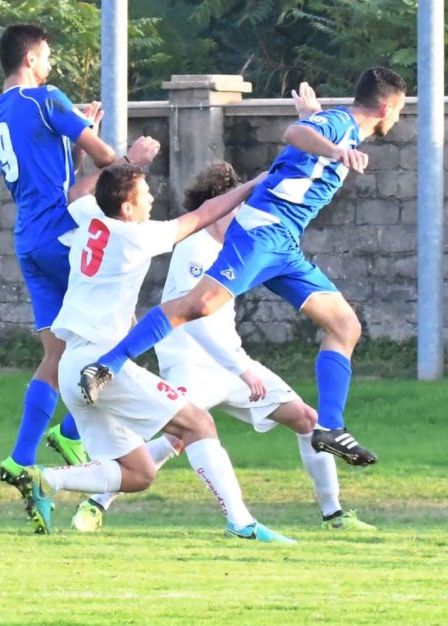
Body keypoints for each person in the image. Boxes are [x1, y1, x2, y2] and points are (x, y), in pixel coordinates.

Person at [77, 67, 408, 468]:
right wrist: (327, 141)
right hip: (262, 231)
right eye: (400, 110)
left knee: (345, 326)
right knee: (197, 306)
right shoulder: (339, 124)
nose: (398, 118)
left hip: (285, 244)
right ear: (388, 105)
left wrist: (310, 119)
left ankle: (330, 428)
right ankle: (106, 365)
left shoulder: (333, 125)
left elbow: (304, 141)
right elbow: (293, 136)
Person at [70, 161, 376, 533]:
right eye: (240, 208)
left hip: (232, 364)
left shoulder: (242, 245)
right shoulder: (195, 247)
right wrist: (240, 369)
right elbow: (191, 317)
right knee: (178, 437)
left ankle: (334, 514)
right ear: (223, 206)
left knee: (307, 419)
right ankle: (96, 500)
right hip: (191, 363)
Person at [8, 162, 295, 544]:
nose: (153, 199)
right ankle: (241, 522)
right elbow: (203, 214)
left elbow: (79, 195)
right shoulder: (135, 237)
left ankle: (46, 480)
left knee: (139, 472)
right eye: (145, 194)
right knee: (198, 424)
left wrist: (117, 161)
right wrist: (253, 185)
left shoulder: (92, 217)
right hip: (102, 364)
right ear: (126, 208)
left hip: (71, 364)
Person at [0, 24, 157, 530]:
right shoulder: (46, 98)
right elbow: (108, 168)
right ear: (34, 57)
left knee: (58, 355)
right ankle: (70, 430)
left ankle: (21, 459)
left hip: (30, 239)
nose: (51, 67)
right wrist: (136, 161)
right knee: (122, 324)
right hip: (63, 234)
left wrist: (75, 135)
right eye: (49, 58)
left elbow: (62, 176)